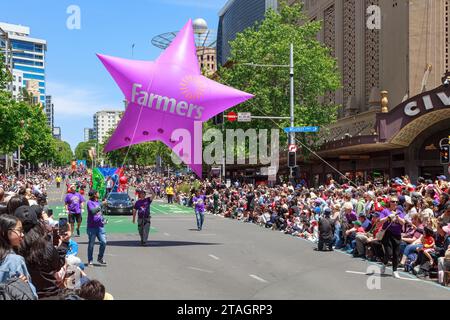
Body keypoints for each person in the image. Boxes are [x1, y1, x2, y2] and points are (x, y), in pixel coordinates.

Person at [0, 215, 37, 299]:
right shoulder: (15, 261)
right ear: (4, 232)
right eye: (19, 230)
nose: (22, 234)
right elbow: (29, 294)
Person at [379, 196, 406, 278]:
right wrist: (388, 217)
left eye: (396, 202)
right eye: (393, 201)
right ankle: (384, 264)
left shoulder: (399, 212)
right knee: (389, 252)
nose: (394, 203)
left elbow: (403, 222)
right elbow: (380, 221)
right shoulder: (385, 211)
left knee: (396, 253)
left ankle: (395, 271)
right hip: (387, 234)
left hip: (397, 235)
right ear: (389, 202)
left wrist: (397, 217)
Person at [86, 190, 108, 266]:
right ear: (95, 195)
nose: (99, 194)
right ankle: (90, 260)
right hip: (92, 227)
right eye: (98, 193)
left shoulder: (98, 202)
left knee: (104, 242)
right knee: (91, 244)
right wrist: (101, 204)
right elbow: (93, 211)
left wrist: (103, 219)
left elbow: (100, 213)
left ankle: (100, 258)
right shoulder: (89, 203)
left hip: (100, 226)